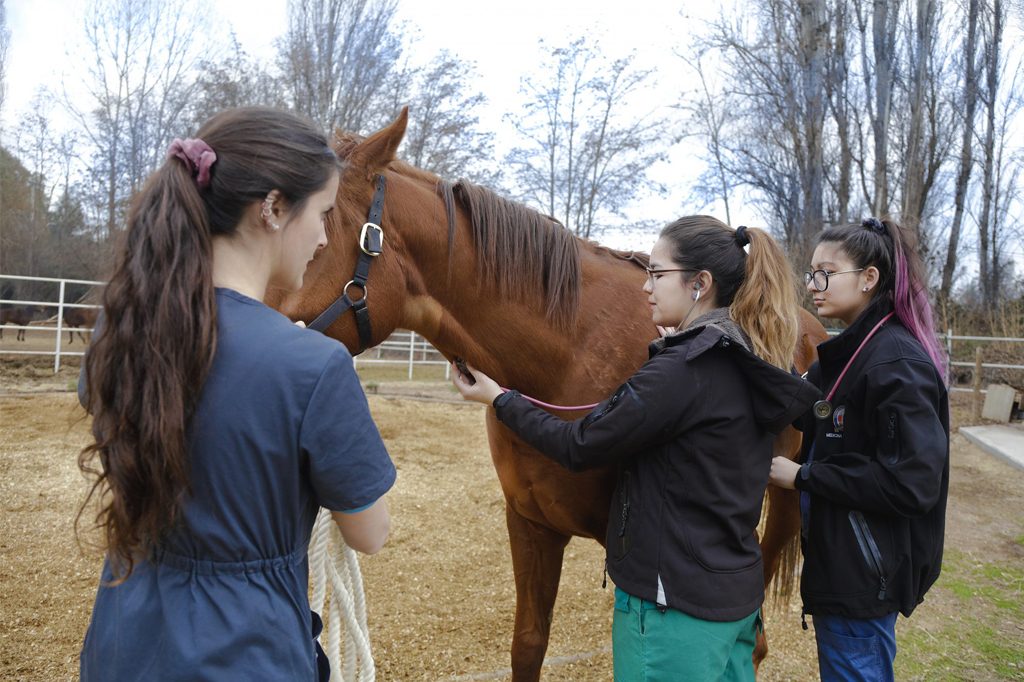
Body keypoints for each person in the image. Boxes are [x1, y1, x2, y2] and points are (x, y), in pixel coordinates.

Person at [77, 107, 397, 681]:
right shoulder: (314, 367)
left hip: (122, 641)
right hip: (247, 654)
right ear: (273, 208)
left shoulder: (119, 330)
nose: (325, 238)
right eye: (323, 214)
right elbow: (369, 532)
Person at [452, 216, 820, 681]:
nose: (645, 287)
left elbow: (580, 444)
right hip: (732, 602)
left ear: (699, 284)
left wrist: (499, 399)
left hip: (671, 613)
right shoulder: (745, 355)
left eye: (657, 273)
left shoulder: (681, 372)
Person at [768, 217, 949, 682]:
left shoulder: (895, 362)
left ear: (869, 278)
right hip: (845, 565)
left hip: (865, 576)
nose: (813, 284)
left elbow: (911, 484)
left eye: (826, 272)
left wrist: (803, 476)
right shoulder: (852, 350)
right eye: (811, 273)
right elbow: (809, 411)